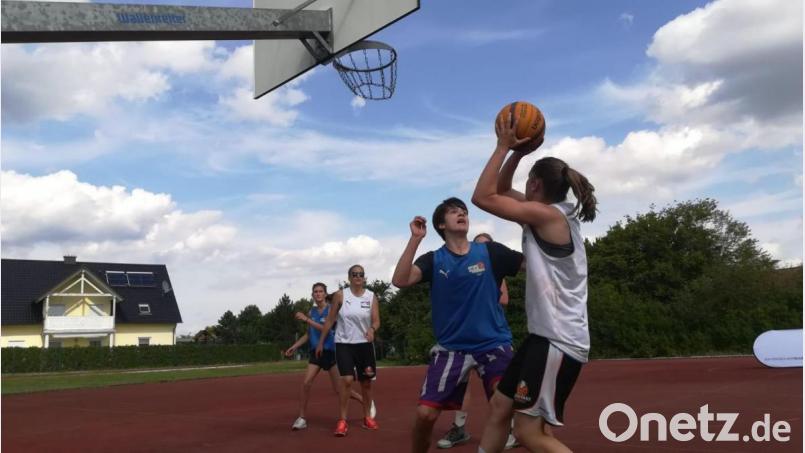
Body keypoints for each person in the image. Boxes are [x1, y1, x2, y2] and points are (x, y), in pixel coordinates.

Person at [471, 112, 596, 453]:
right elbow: (499, 190)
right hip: (543, 336)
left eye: (527, 181)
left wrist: (502, 146)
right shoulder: (548, 213)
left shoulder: (546, 215)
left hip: (559, 340)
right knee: (500, 406)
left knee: (529, 433)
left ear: (535, 185)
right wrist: (518, 153)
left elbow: (483, 196)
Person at [392, 198, 523, 453]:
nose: (461, 213)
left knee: (504, 401)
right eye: (454, 211)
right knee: (425, 415)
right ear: (441, 224)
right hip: (452, 347)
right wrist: (415, 239)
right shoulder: (434, 260)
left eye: (464, 211)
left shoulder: (490, 252)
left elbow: (531, 263)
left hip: (493, 343)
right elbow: (400, 280)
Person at [437, 232, 517, 450]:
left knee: (500, 386)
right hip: (464, 338)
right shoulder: (463, 268)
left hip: (490, 338)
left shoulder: (495, 271)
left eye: (487, 245)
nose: (483, 249)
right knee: (461, 384)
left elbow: (504, 299)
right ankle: (459, 428)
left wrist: (481, 293)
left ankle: (510, 429)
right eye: (479, 244)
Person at [284, 283, 373, 430]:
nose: (318, 294)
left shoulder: (332, 309)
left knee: (339, 389)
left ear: (325, 294)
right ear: (312, 295)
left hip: (331, 352)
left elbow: (326, 328)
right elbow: (309, 334)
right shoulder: (312, 311)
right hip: (316, 353)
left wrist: (307, 320)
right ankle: (302, 418)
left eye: (321, 291)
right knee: (306, 383)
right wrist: (294, 346)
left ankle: (365, 401)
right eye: (315, 292)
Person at [316, 264, 381, 437]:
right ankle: (342, 420)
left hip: (365, 345)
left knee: (366, 383)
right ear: (349, 277)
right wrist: (321, 342)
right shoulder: (340, 295)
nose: (358, 277)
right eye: (354, 274)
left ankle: (367, 417)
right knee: (346, 380)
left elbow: (376, 320)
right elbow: (330, 320)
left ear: (364, 277)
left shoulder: (371, 297)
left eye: (361, 274)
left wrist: (372, 329)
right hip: (344, 343)